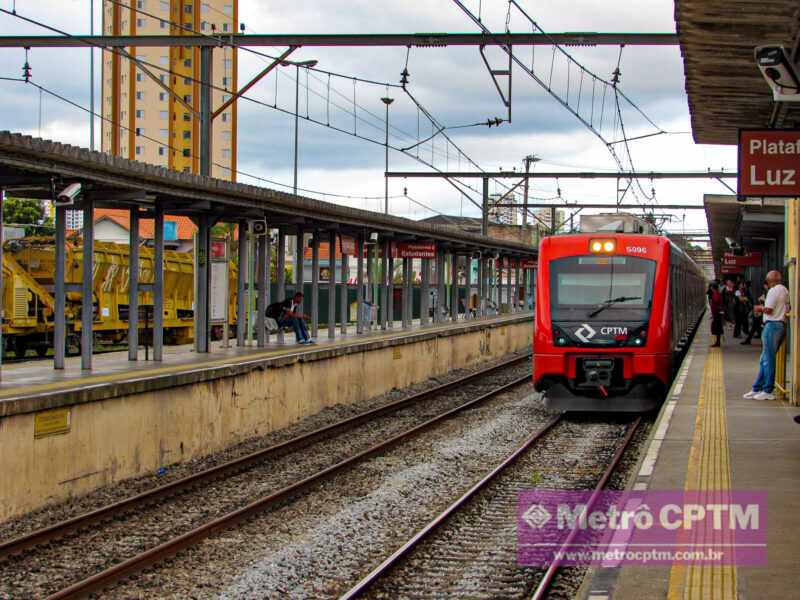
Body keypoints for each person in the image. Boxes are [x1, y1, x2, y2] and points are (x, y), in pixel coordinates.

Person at [743, 270, 790, 400]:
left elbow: (769, 310)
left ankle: (768, 390)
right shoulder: (785, 290)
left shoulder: (773, 291)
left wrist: (758, 308)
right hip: (780, 326)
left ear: (769, 281)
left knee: (768, 360)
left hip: (772, 326)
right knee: (765, 360)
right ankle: (756, 388)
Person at [741, 280, 767, 345]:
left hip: (763, 312)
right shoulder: (766, 291)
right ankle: (749, 339)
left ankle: (750, 339)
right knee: (756, 326)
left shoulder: (769, 292)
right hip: (760, 311)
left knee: (757, 325)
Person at [708, 281, 724, 347]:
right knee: (717, 328)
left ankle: (717, 343)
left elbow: (716, 302)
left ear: (712, 287)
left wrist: (714, 313)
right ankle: (717, 342)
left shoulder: (716, 294)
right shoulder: (717, 293)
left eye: (711, 287)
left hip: (717, 313)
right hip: (717, 313)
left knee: (717, 328)